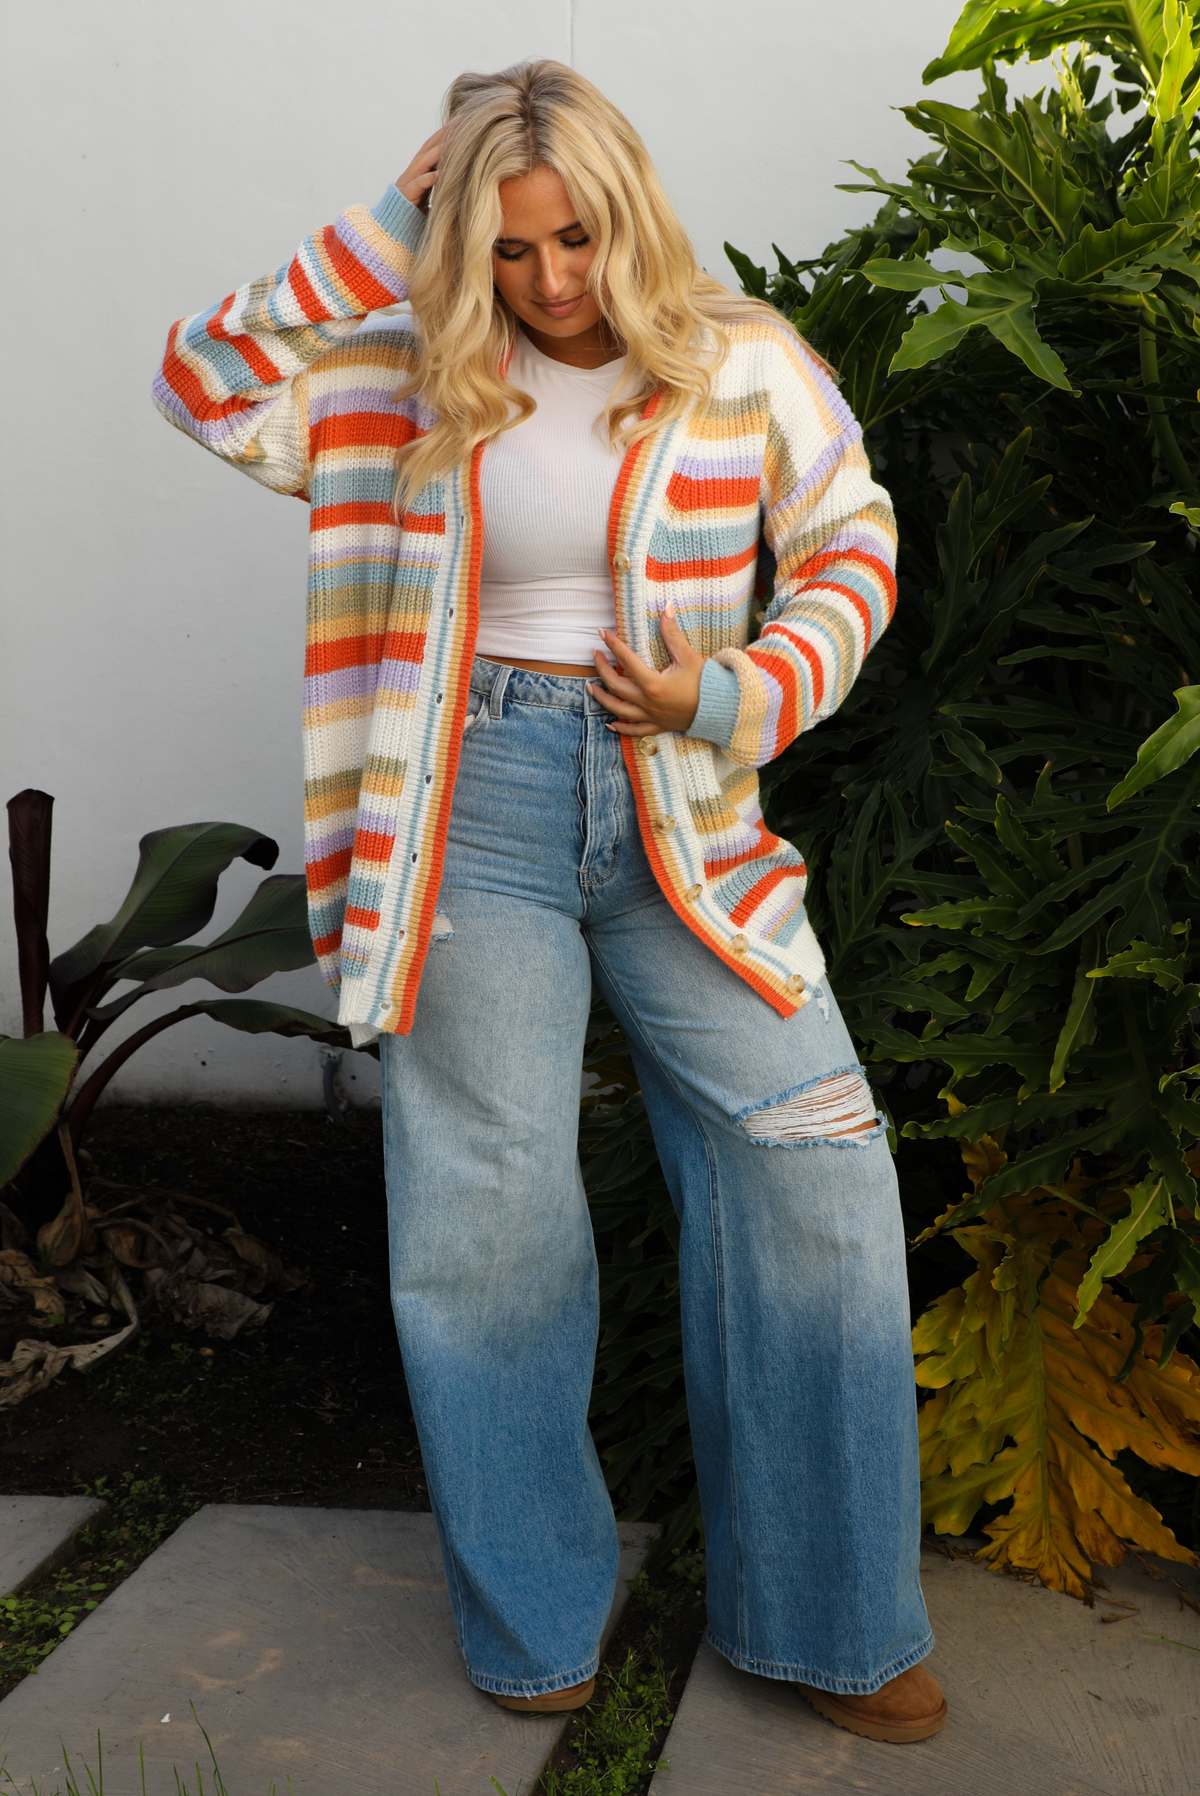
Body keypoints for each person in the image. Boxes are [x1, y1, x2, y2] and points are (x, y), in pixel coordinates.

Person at [153, 59, 945, 1745]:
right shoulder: (404, 368)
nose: (551, 280)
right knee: (488, 1219)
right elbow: (203, 378)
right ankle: (536, 1620)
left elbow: (855, 547)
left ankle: (837, 1623)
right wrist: (393, 213)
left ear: (627, 207)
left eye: (574, 236)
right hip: (469, 815)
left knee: (811, 1165)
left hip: (686, 808)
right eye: (506, 248)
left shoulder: (741, 359)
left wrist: (728, 693)